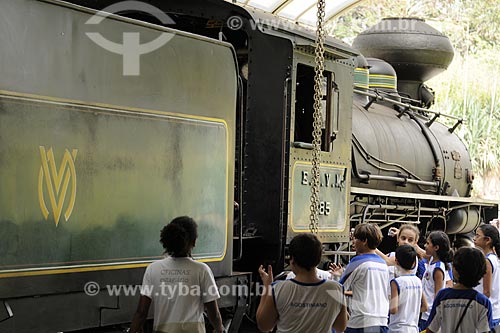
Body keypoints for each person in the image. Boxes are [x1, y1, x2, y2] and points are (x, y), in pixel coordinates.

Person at [129, 216, 224, 333]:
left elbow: (141, 313)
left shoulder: (153, 269)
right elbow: (213, 313)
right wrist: (220, 330)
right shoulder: (201, 270)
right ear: (193, 242)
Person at [256, 233, 348, 333]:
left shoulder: (278, 288)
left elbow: (264, 326)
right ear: (318, 260)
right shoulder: (336, 289)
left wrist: (267, 286)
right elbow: (340, 327)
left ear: (293, 260)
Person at [425, 247, 493, 333]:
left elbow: (431, 329)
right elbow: (485, 331)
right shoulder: (483, 302)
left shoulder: (443, 297)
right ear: (482, 272)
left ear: (455, 270)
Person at [339, 223, 390, 333]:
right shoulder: (383, 264)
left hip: (361, 321)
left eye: (356, 238)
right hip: (382, 320)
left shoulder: (357, 262)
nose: (353, 242)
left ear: (364, 241)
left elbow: (339, 288)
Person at [388, 245, 427, 333]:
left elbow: (393, 309)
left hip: (397, 329)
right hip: (413, 328)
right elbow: (425, 307)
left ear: (396, 261)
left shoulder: (396, 282)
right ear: (414, 263)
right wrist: (413, 310)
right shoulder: (418, 281)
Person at [419, 231, 453, 331]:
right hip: (424, 313)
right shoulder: (432, 259)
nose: (425, 245)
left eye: (428, 243)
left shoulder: (438, 269)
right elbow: (422, 253)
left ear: (436, 248)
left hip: (429, 315)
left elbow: (438, 295)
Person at [474, 224, 500, 330]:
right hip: (495, 312)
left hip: (488, 315)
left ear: (487, 240)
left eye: (477, 236)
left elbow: (486, 292)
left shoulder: (487, 261)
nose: (474, 238)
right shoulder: (495, 259)